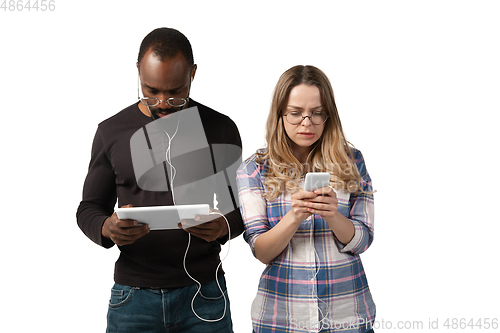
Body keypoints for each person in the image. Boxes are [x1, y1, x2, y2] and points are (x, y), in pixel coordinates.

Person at [77, 27, 243, 333]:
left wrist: (222, 225)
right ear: (138, 71)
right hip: (133, 299)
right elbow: (88, 207)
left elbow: (245, 208)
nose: (163, 102)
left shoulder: (220, 128)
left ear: (193, 74)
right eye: (150, 91)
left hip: (204, 293)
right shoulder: (111, 132)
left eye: (176, 92)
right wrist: (106, 227)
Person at [237, 65, 376, 333]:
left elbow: (364, 240)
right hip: (281, 320)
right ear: (280, 114)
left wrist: (334, 215)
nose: (306, 123)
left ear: (328, 115)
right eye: (295, 113)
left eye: (316, 113)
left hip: (347, 316)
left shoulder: (352, 161)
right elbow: (261, 250)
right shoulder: (254, 169)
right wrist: (294, 217)